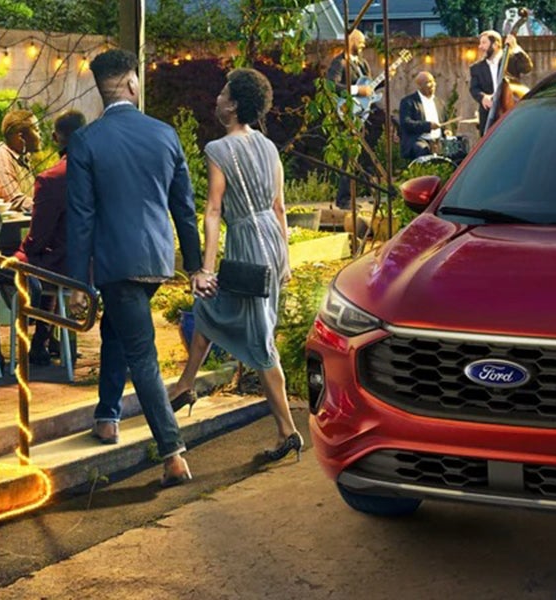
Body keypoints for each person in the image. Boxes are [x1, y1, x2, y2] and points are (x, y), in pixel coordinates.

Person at [61, 49, 204, 487]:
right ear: (133, 85)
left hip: (115, 263)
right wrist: (196, 265)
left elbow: (81, 217)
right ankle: (107, 417)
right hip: (157, 260)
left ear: (101, 89)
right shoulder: (165, 134)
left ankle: (172, 452)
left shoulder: (86, 141)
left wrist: (75, 282)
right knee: (118, 332)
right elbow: (185, 209)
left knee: (141, 352)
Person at [165, 68, 303, 465]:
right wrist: (286, 260)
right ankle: (187, 384)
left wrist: (206, 268)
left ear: (235, 104)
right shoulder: (269, 147)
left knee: (261, 342)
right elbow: (279, 207)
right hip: (272, 244)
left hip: (247, 245)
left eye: (224, 93)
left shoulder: (218, 149)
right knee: (209, 309)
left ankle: (288, 431)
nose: (217, 98)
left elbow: (213, 210)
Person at [14, 109, 87, 365]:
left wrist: (22, 251)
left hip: (64, 266)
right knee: (46, 263)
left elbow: (39, 237)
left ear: (56, 138)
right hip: (98, 264)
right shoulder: (102, 171)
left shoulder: (52, 179)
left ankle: (2, 357)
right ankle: (43, 340)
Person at [322, 30, 375, 209]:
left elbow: (369, 88)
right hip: (346, 115)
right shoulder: (339, 63)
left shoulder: (363, 64)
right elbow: (331, 85)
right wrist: (356, 90)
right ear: (350, 41)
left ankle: (354, 196)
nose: (363, 44)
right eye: (360, 41)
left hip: (361, 115)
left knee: (358, 158)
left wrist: (383, 80)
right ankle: (343, 199)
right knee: (348, 158)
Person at [396, 72, 462, 163]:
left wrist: (447, 130)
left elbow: (445, 121)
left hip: (439, 141)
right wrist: (428, 125)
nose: (433, 85)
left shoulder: (439, 102)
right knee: (423, 149)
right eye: (428, 82)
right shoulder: (409, 102)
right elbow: (406, 123)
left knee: (458, 149)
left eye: (433, 81)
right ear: (419, 86)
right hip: (419, 140)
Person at [0, 108, 39, 211]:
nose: (40, 136)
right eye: (36, 130)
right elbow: (13, 199)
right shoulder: (2, 157)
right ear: (21, 137)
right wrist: (46, 207)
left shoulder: (23, 159)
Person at [468, 31, 502, 136]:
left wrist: (515, 47)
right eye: (480, 43)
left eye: (484, 43)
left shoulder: (510, 61)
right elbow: (474, 89)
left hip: (509, 112)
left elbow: (526, 67)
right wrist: (483, 97)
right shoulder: (476, 68)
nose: (480, 46)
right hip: (487, 115)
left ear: (495, 45)